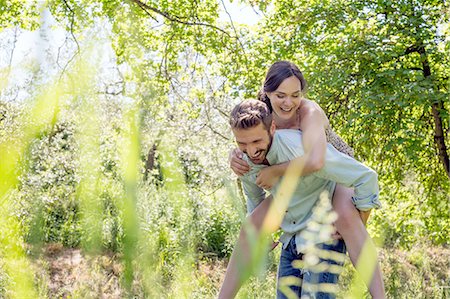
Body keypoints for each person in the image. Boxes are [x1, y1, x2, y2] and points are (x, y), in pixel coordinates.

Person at [220, 61, 384, 298]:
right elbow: (248, 137)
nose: (288, 102)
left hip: (332, 172)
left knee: (347, 219)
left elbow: (316, 161)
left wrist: (275, 171)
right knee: (252, 226)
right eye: (280, 95)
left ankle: (379, 294)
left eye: (295, 95)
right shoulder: (261, 117)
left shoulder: (309, 112)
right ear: (266, 93)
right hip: (295, 179)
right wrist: (237, 154)